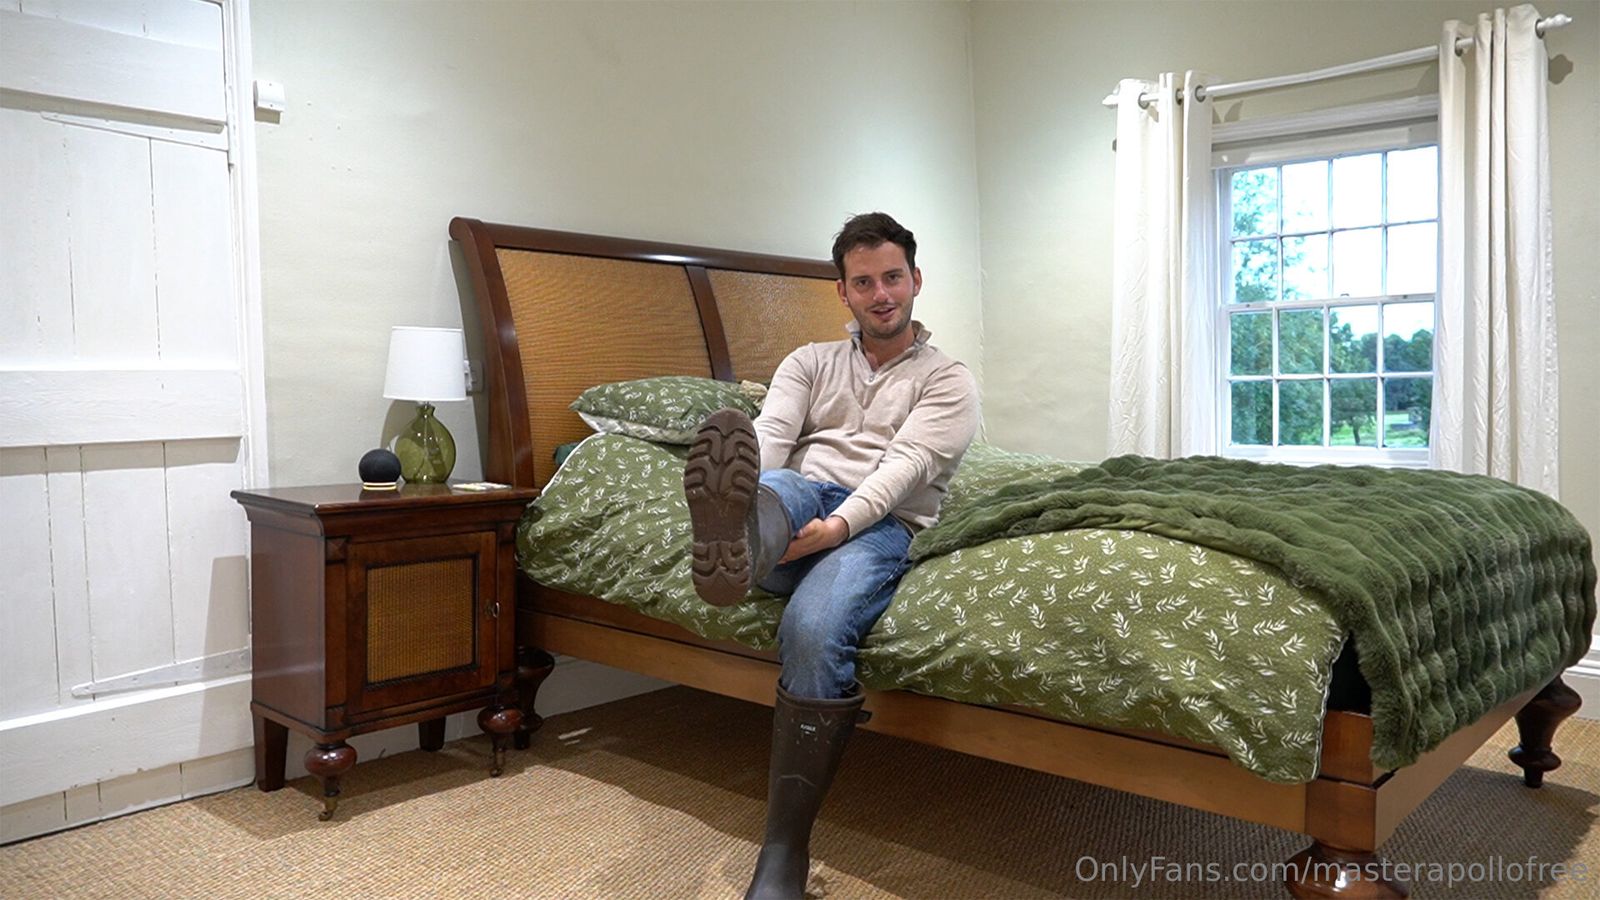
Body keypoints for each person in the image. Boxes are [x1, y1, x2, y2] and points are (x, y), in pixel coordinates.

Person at [683, 212, 980, 900]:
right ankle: (741, 527)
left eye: (892, 278)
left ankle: (783, 851)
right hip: (797, 499)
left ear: (916, 280)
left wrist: (838, 528)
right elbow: (770, 435)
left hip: (882, 524)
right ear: (842, 291)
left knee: (814, 628)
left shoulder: (948, 380)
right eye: (864, 282)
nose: (882, 294)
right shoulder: (808, 361)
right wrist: (760, 491)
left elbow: (905, 469)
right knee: (780, 485)